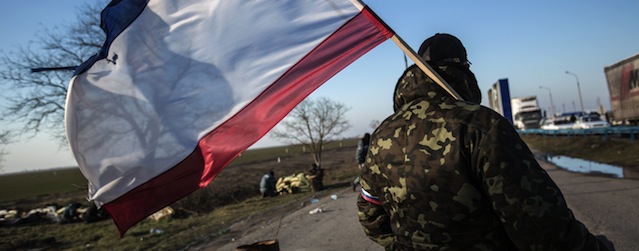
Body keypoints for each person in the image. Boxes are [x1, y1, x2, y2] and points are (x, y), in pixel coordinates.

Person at [356, 33, 615, 250]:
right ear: (463, 70)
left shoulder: (381, 136)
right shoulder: (481, 126)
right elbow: (538, 224)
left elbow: (370, 214)